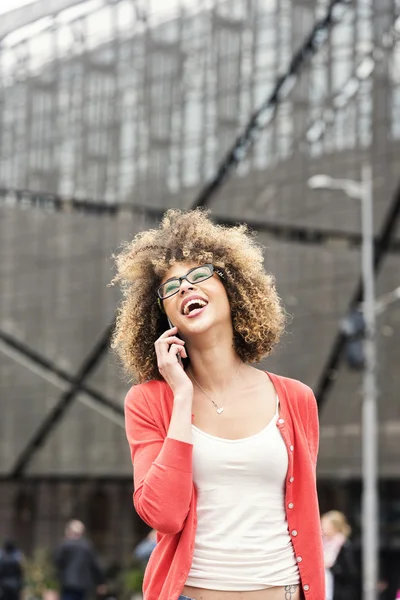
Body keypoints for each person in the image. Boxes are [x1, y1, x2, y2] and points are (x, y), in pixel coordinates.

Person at [111, 209, 324, 600]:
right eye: (171, 287)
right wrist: (182, 397)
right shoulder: (149, 401)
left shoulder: (296, 399)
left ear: (233, 288)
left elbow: (306, 515)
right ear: (162, 314)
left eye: (198, 276)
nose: (185, 289)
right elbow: (163, 514)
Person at [54, 520, 106, 600]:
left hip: (68, 584)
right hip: (83, 585)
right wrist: (100, 582)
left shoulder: (64, 545)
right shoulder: (87, 546)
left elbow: (57, 562)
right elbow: (95, 566)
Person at [321, 511, 358, 600]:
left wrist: (332, 567)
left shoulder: (344, 545)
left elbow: (349, 571)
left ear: (335, 527)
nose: (322, 527)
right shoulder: (321, 543)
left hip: (338, 591)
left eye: (326, 525)